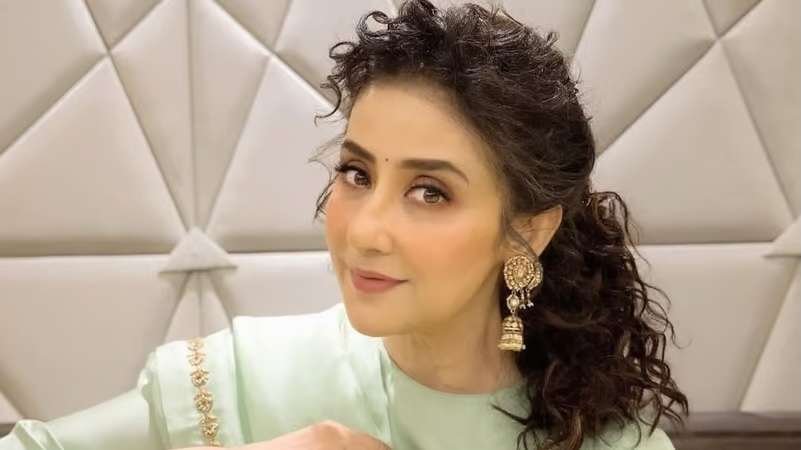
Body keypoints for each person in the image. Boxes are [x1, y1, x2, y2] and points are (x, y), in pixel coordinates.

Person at [0, 0, 689, 449]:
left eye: (429, 192)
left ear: (526, 232)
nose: (364, 231)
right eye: (357, 174)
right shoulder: (244, 381)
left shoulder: (614, 443)